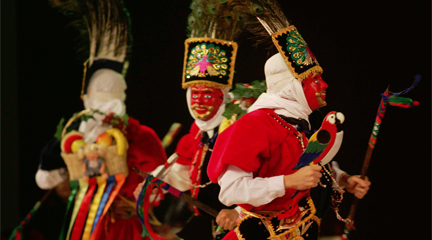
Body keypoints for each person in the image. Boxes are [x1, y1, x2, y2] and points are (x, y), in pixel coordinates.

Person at [207, 1, 370, 239]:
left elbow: (308, 166)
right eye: (314, 79)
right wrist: (287, 181)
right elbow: (231, 191)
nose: (323, 86)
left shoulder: (294, 124)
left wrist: (345, 180)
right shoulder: (254, 124)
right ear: (291, 86)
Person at [34, 1, 167, 239]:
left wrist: (136, 202)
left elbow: (159, 184)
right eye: (101, 98)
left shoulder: (140, 137)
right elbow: (47, 178)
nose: (105, 107)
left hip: (127, 229)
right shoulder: (73, 135)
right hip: (85, 224)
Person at [133, 1, 248, 239]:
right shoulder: (197, 133)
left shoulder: (239, 128)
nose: (200, 101)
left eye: (208, 94)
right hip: (206, 222)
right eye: (195, 94)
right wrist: (152, 186)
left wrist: (239, 211)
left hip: (242, 226)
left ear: (222, 96)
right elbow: (181, 171)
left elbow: (264, 178)